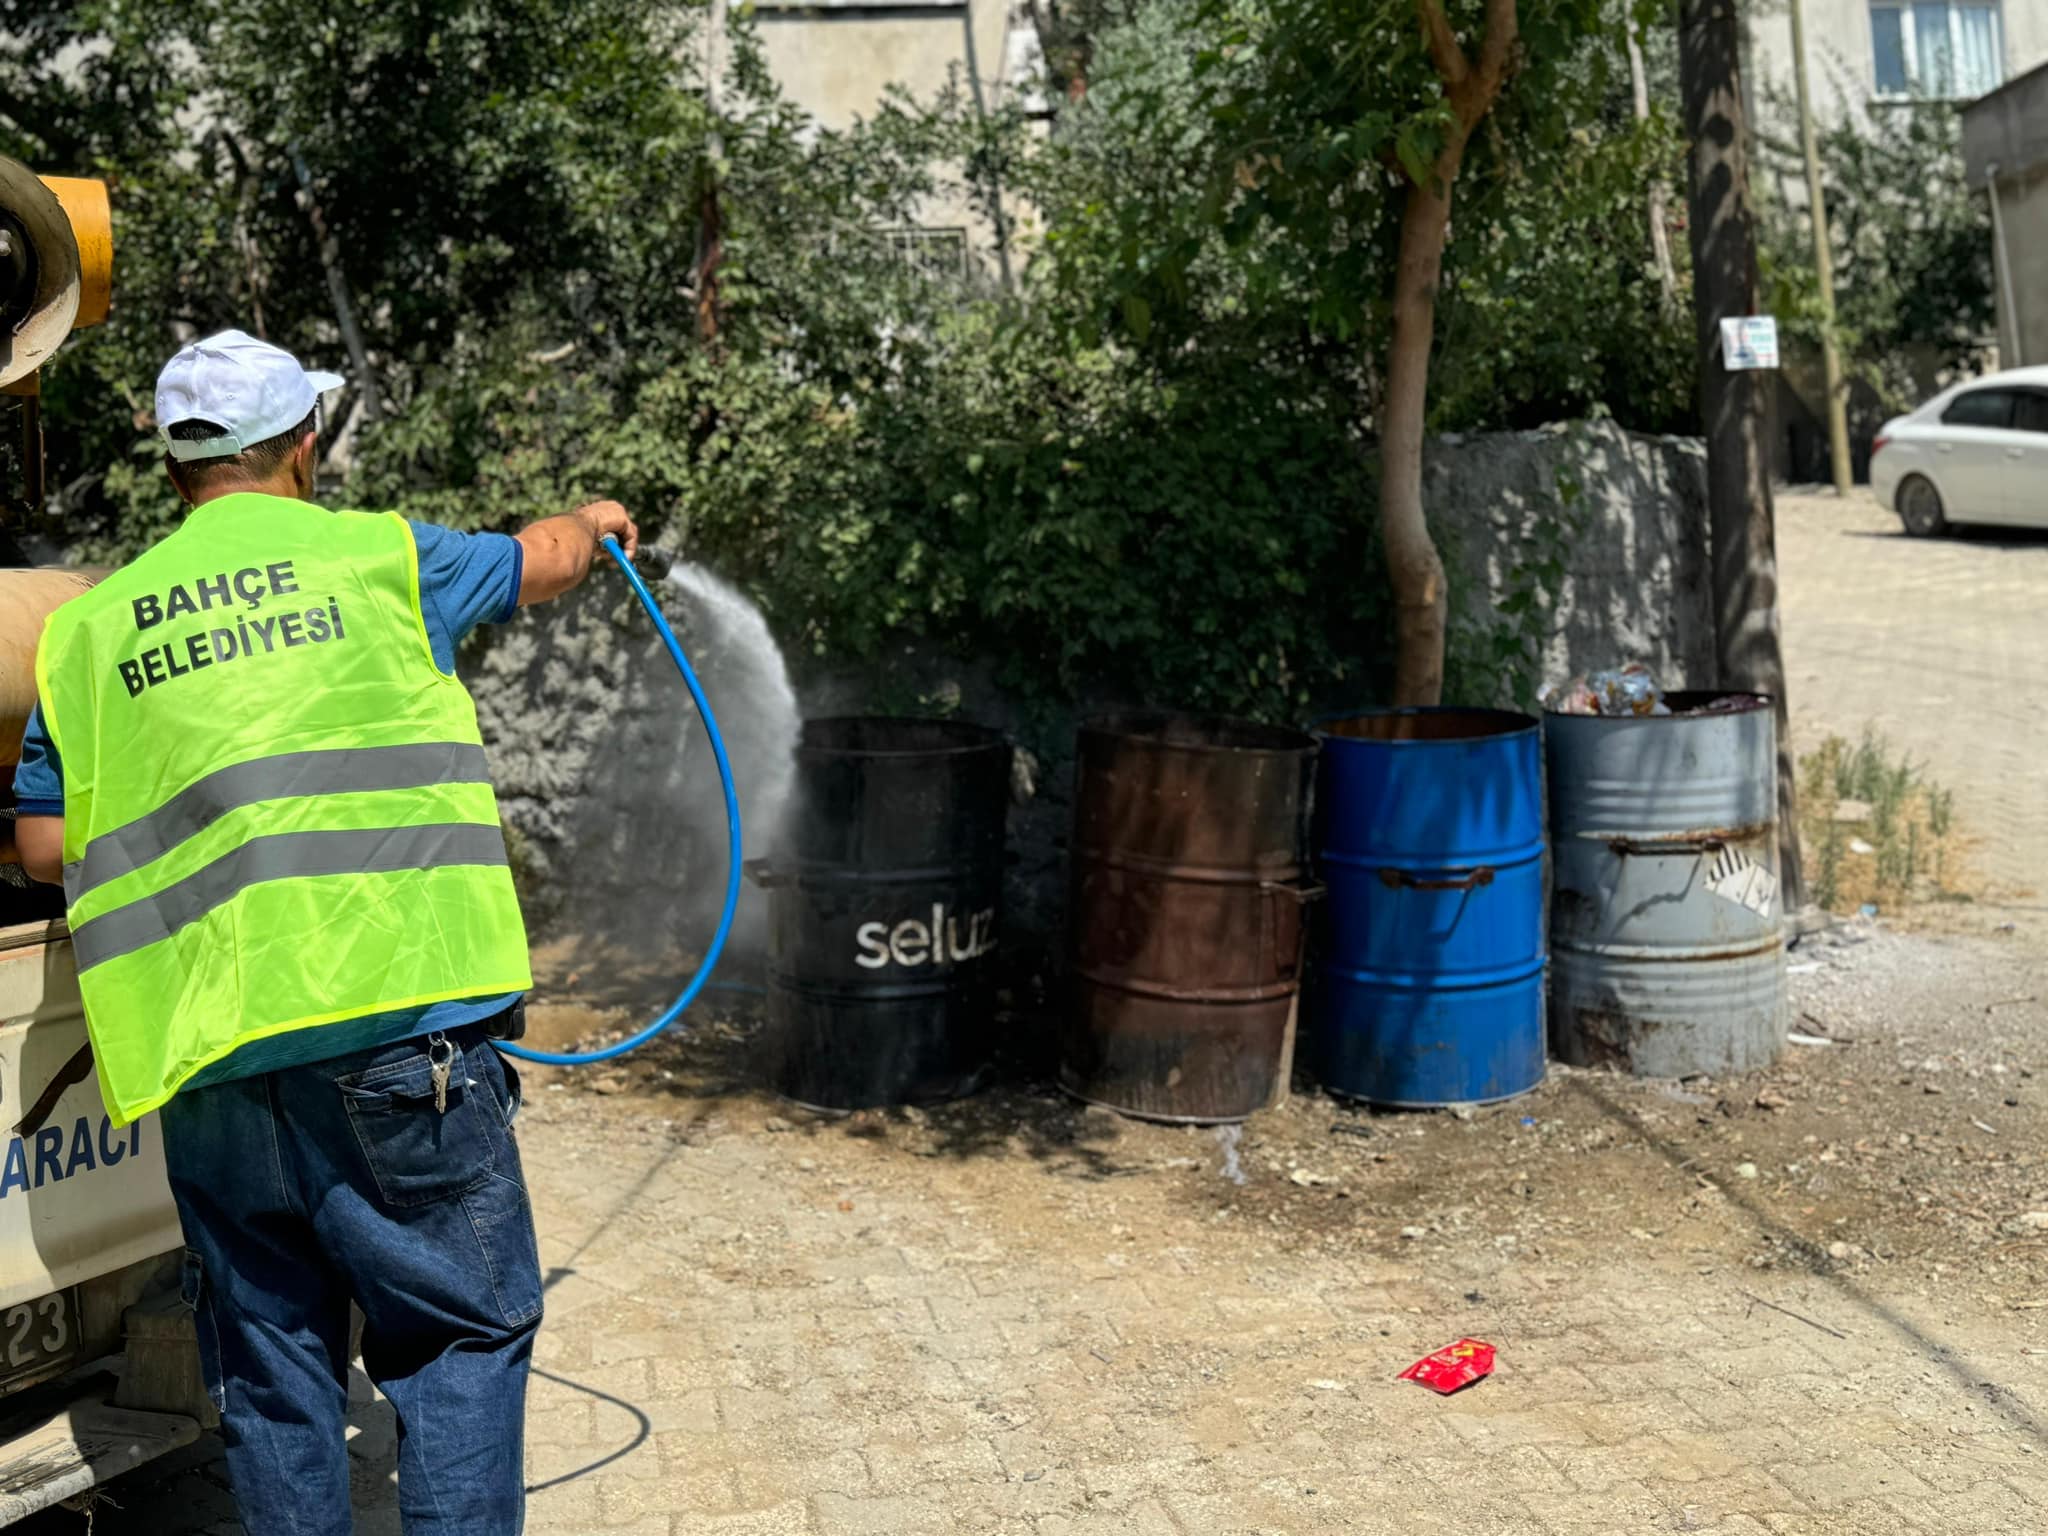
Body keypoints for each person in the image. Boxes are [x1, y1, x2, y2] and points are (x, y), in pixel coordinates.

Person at [12, 329, 637, 1534]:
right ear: (302, 445)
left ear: (177, 467)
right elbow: (545, 561)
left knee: (268, 1368)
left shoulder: (89, 632)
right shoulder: (384, 559)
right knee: (457, 1335)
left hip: (209, 1060)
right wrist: (596, 519)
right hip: (398, 1044)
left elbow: (43, 847)